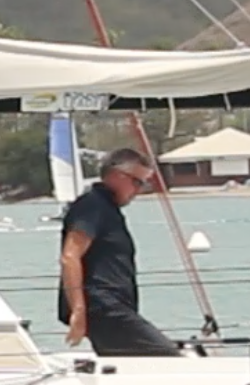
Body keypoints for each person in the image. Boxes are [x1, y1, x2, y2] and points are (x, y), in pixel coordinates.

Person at [59, 147, 181, 358]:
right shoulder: (92, 205)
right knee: (167, 357)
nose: (139, 190)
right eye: (137, 182)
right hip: (102, 305)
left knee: (130, 363)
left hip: (113, 306)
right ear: (117, 176)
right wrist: (78, 310)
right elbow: (70, 256)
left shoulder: (107, 209)